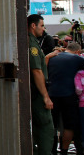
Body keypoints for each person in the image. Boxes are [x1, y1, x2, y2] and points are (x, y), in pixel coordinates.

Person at [47, 42, 84, 155]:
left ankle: (52, 150)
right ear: (78, 52)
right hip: (69, 95)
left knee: (53, 125)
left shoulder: (53, 57)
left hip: (52, 95)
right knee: (69, 126)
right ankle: (64, 151)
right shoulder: (77, 59)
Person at [27, 14, 54, 155]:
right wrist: (45, 96)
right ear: (33, 25)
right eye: (41, 25)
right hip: (38, 93)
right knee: (46, 127)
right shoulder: (32, 45)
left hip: (35, 92)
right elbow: (37, 71)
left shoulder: (33, 42)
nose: (43, 29)